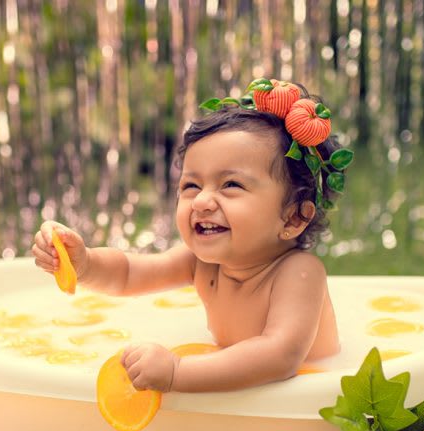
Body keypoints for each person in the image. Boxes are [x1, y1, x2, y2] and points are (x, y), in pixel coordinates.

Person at [33, 78, 350, 393]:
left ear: (294, 217)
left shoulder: (298, 273)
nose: (201, 201)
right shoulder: (201, 262)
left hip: (306, 397)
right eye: (191, 186)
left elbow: (279, 356)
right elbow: (129, 274)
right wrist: (85, 263)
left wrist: (178, 371)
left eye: (231, 185)